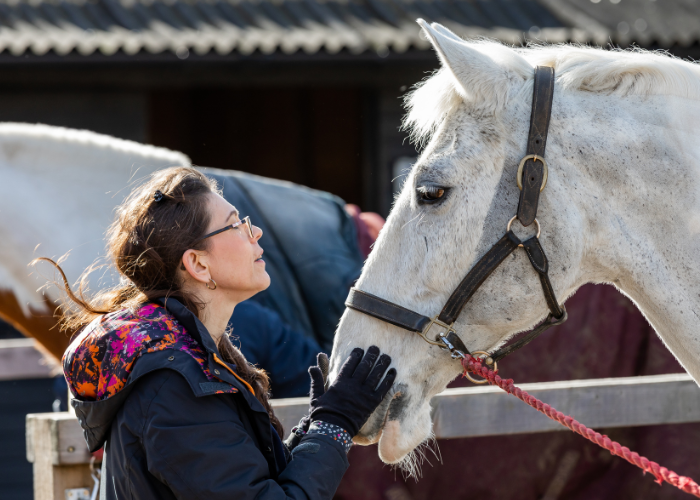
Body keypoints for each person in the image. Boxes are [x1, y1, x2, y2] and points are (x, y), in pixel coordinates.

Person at [42, 166, 396, 499]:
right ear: (197, 264)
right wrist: (335, 423)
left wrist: (315, 424)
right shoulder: (175, 388)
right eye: (235, 226)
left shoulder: (188, 361)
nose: (254, 232)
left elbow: (245, 480)